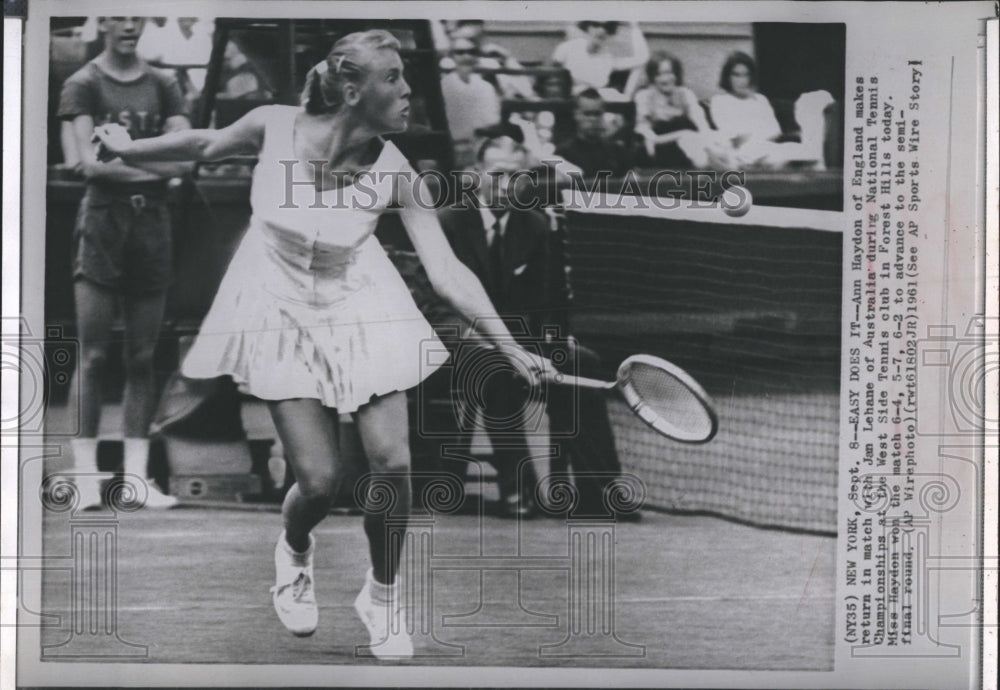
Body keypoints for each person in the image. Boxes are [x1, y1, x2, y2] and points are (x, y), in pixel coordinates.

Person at [92, 29, 554, 658]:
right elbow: (201, 143)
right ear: (350, 87)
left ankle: (383, 598)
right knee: (318, 482)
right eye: (392, 77)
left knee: (393, 463)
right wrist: (127, 145)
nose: (408, 89)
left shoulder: (397, 172)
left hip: (360, 299)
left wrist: (508, 345)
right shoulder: (272, 125)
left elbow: (447, 271)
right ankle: (295, 552)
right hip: (275, 302)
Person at [438, 135, 631, 520]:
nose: (505, 184)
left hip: (520, 340)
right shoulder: (446, 223)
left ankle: (599, 491)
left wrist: (555, 343)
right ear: (476, 175)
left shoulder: (536, 225)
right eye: (496, 175)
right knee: (495, 367)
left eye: (513, 176)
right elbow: (430, 303)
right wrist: (482, 338)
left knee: (582, 361)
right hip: (456, 343)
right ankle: (518, 489)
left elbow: (548, 303)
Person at [58, 16, 193, 511]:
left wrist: (129, 163)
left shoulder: (164, 83)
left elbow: (186, 161)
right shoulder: (84, 83)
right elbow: (87, 163)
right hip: (103, 224)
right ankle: (86, 478)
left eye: (137, 15)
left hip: (152, 225)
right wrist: (157, 167)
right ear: (103, 22)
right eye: (118, 16)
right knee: (92, 355)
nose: (129, 24)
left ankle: (135, 480)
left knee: (142, 355)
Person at [707, 51, 831, 170]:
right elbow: (731, 134)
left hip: (767, 147)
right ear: (727, 77)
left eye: (746, 74)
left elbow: (775, 130)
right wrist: (756, 131)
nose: (742, 80)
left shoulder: (760, 99)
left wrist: (751, 133)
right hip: (742, 153)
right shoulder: (720, 101)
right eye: (736, 75)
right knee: (784, 157)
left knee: (806, 154)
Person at [633, 52, 712, 168]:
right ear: (652, 78)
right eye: (659, 74)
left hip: (687, 146)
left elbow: (701, 123)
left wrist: (705, 140)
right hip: (662, 145)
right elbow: (645, 132)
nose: (665, 79)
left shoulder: (685, 94)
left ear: (676, 74)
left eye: (669, 73)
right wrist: (682, 134)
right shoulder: (644, 96)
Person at [439, 37, 502, 166]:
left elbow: (492, 122)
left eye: (471, 52)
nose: (466, 57)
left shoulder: (486, 87)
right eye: (460, 52)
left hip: (481, 149)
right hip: (450, 150)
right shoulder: (442, 86)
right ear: (452, 56)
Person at [552, 88, 637, 180]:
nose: (593, 119)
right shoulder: (563, 154)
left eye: (597, 114)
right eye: (587, 114)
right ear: (576, 115)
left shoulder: (618, 153)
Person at [551, 21, 649, 99]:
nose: (601, 30)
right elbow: (551, 77)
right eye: (596, 25)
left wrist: (634, 27)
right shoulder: (568, 48)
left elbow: (642, 59)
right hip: (570, 100)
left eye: (607, 27)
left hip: (598, 103)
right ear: (587, 27)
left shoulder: (607, 59)